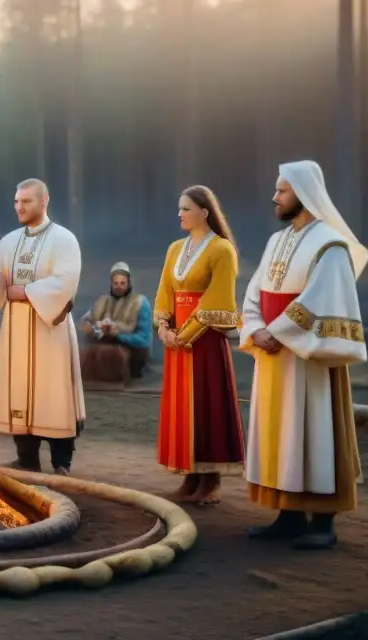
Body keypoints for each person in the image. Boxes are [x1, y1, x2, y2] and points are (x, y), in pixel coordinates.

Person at [240, 160, 367, 550]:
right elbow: (254, 290)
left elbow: (321, 298)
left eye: (282, 190)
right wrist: (255, 327)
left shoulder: (329, 243)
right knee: (280, 431)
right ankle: (289, 514)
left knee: (314, 429)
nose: (274, 197)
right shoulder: (276, 241)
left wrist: (275, 332)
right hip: (274, 354)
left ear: (303, 193)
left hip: (307, 358)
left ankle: (323, 521)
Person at [0, 179, 85, 475]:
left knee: (55, 392)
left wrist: (24, 291)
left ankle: (61, 463)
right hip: (16, 330)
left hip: (51, 329)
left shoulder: (64, 239)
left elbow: (66, 281)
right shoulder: (9, 241)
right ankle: (27, 458)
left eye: (27, 201)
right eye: (16, 202)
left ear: (44, 201)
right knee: (18, 390)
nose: (19, 207)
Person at [153, 185, 245, 505]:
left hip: (204, 341)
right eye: (179, 208)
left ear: (205, 212)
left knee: (207, 405)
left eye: (186, 208)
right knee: (183, 407)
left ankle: (211, 480)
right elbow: (166, 290)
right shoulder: (174, 248)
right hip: (177, 339)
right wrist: (164, 328)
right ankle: (189, 475)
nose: (180, 213)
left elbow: (217, 298)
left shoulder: (222, 250)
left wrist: (185, 335)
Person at [80, 261, 153, 383]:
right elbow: (86, 321)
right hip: (101, 349)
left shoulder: (140, 303)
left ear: (129, 282)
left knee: (112, 356)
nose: (119, 286)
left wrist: (118, 336)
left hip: (131, 356)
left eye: (122, 283)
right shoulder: (102, 302)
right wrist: (88, 328)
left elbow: (144, 340)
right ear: (111, 284)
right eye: (115, 283)